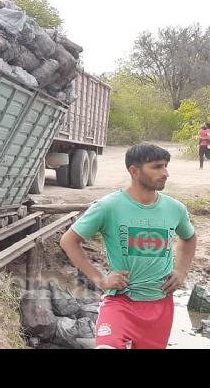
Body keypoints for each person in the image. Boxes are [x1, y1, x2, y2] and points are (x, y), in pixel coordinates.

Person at [59, 143, 197, 349]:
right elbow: (68, 241)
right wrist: (101, 279)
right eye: (157, 167)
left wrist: (181, 270)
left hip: (160, 302)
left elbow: (189, 237)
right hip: (120, 301)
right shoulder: (108, 207)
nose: (165, 173)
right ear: (134, 170)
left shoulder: (175, 209)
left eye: (166, 166)